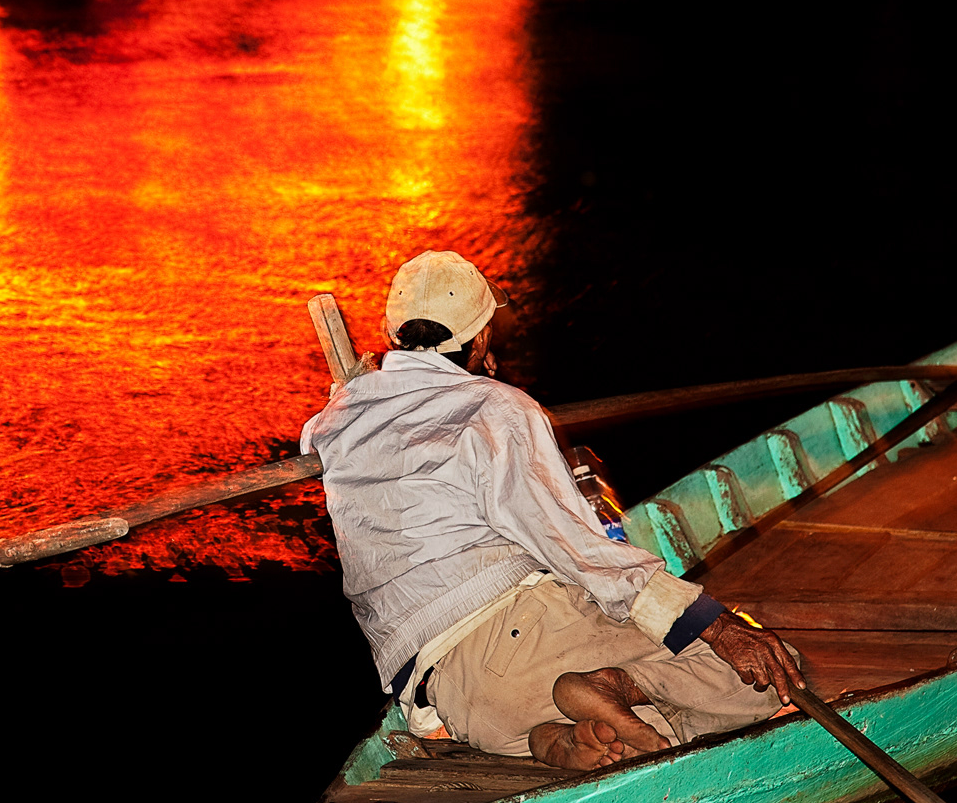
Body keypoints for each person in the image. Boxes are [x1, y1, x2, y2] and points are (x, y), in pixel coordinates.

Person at [300, 250, 804, 770]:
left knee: (627, 730)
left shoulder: (336, 421)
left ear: (392, 333)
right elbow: (579, 550)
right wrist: (717, 627)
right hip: (514, 637)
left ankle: (549, 739)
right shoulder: (498, 408)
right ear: (482, 339)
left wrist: (355, 389)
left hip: (450, 696)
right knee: (767, 675)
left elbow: (330, 427)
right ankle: (611, 686)